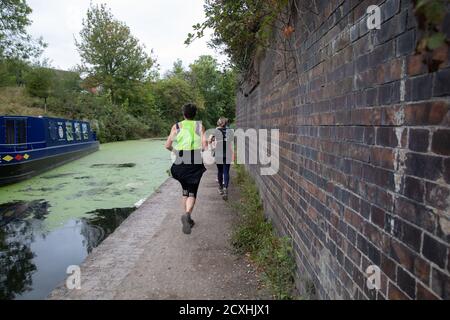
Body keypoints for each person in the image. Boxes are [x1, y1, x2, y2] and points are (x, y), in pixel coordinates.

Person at [165, 103, 207, 235]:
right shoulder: (199, 126)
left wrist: (176, 151)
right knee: (192, 192)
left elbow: (167, 145)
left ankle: (187, 216)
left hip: (180, 160)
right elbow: (204, 146)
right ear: (195, 114)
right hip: (194, 160)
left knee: (185, 191)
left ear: (184, 114)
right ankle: (188, 215)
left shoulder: (176, 126)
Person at [214, 117, 234, 201]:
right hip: (228, 153)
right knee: (226, 171)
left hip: (218, 153)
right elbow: (231, 143)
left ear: (219, 123)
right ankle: (225, 188)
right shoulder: (230, 131)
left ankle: (220, 188)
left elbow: (212, 141)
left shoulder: (216, 130)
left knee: (220, 171)